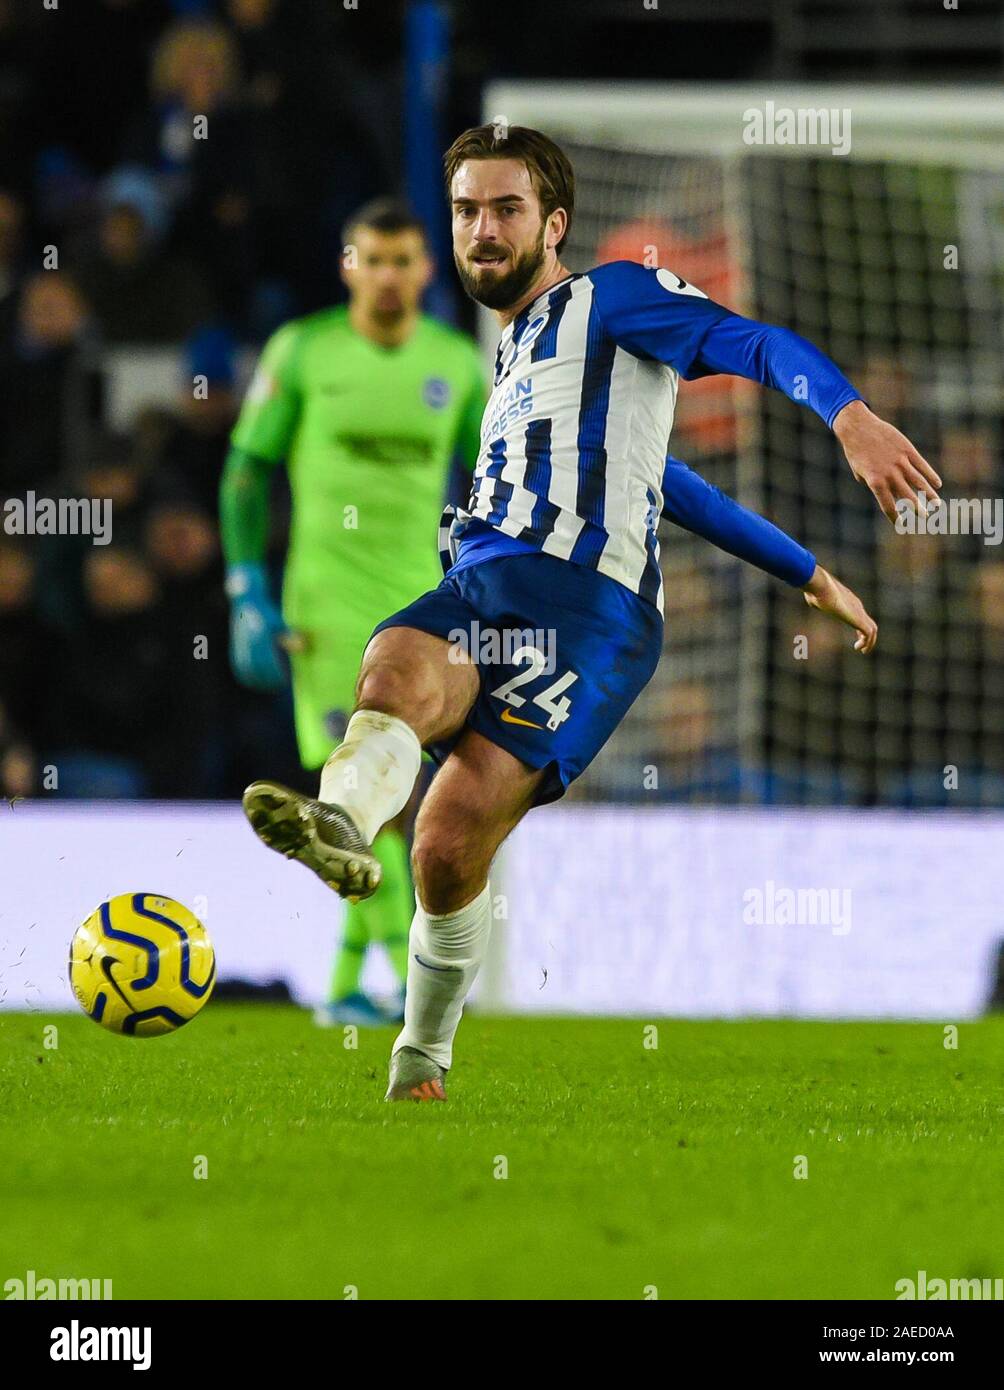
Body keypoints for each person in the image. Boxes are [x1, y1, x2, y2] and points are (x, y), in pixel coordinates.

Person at [241, 125, 935, 1101]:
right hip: (484, 578)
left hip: (585, 607)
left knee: (446, 844)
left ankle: (420, 1044)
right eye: (466, 210)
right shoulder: (510, 354)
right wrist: (805, 571)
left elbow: (751, 343)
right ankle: (344, 823)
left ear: (552, 222)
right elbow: (667, 479)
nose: (481, 230)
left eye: (505, 209)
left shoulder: (612, 295)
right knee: (392, 670)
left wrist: (845, 415)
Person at [221, 197, 487, 1026]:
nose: (387, 277)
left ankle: (343, 987)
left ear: (426, 269)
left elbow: (487, 491)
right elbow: (244, 472)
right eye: (371, 260)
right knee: (349, 802)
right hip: (326, 612)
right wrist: (245, 589)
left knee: (395, 807)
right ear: (349, 267)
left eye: (403, 261)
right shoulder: (303, 352)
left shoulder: (459, 366)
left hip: (420, 614)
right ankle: (410, 979)